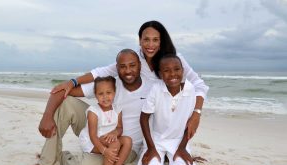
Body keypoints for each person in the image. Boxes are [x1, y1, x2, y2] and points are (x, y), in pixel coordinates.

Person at [51, 20, 209, 141]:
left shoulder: (174, 60)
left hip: (161, 118)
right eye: (146, 39)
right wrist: (72, 82)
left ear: (161, 42)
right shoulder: (134, 61)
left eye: (155, 40)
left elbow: (199, 85)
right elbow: (101, 72)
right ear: (139, 40)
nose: (150, 45)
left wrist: (196, 113)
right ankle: (49, 157)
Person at [18, 49, 153, 165]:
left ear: (140, 65)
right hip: (97, 129)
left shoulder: (152, 88)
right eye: (123, 66)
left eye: (132, 65)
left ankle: (61, 157)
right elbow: (61, 91)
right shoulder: (110, 84)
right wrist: (46, 116)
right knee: (67, 103)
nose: (128, 70)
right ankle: (46, 161)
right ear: (116, 68)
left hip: (125, 145)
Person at [137, 54, 198, 165]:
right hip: (156, 140)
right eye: (166, 70)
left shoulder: (190, 89)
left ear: (182, 70)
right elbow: (143, 119)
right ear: (160, 74)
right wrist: (151, 148)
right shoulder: (156, 89)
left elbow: (190, 122)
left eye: (177, 69)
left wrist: (182, 147)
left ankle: (170, 158)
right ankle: (162, 157)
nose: (172, 74)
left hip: (178, 140)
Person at [79, 76, 132, 165]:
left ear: (114, 92)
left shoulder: (117, 109)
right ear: (95, 94)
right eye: (100, 94)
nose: (105, 97)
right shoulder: (93, 112)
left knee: (127, 140)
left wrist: (115, 132)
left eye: (108, 93)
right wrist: (104, 151)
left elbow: (119, 128)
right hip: (93, 141)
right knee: (115, 143)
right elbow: (92, 136)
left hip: (109, 138)